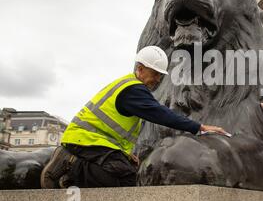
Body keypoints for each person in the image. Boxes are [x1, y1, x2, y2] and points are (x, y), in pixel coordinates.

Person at [41, 46, 227, 189]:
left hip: (91, 142)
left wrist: (125, 153)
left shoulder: (129, 87)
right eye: (154, 74)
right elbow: (160, 114)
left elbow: (111, 128)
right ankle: (71, 165)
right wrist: (199, 127)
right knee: (126, 177)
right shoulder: (133, 89)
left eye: (160, 76)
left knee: (127, 172)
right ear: (140, 69)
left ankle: (72, 178)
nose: (157, 79)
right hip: (84, 142)